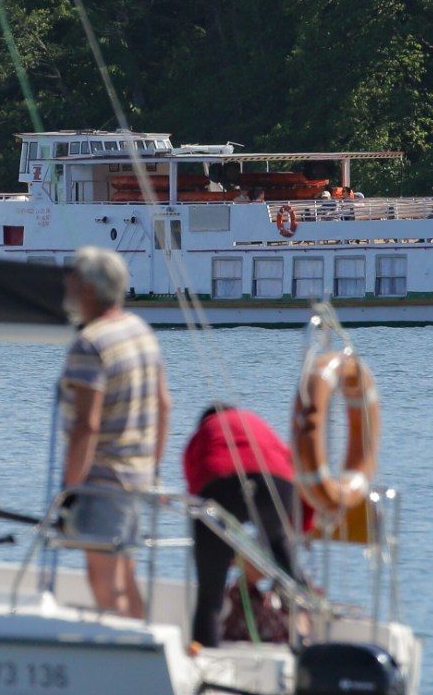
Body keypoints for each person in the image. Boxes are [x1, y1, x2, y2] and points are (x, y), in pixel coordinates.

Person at [58, 246, 170, 620]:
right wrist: (150, 468)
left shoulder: (89, 344)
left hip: (103, 481)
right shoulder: (140, 331)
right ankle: (143, 645)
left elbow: (86, 425)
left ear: (88, 289)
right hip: (137, 478)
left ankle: (126, 660)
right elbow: (164, 405)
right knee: (126, 575)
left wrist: (69, 492)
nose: (67, 287)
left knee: (104, 581)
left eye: (72, 280)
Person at [181, 404, 300, 647]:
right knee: (282, 554)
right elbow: (290, 466)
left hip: (219, 481)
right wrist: (300, 529)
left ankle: (207, 659)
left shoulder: (203, 433)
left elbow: (197, 501)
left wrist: (221, 550)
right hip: (276, 481)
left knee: (210, 601)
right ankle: (305, 633)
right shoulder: (255, 421)